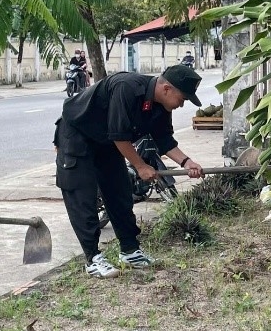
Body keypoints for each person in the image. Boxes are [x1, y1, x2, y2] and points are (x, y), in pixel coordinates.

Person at [56, 64, 205, 278]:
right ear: (166, 89)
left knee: (119, 193)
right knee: (82, 195)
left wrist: (186, 162)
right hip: (78, 135)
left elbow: (164, 139)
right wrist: (141, 166)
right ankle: (93, 258)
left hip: (107, 142)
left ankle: (130, 251)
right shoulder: (126, 87)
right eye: (182, 99)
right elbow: (119, 135)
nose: (181, 105)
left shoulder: (161, 106)